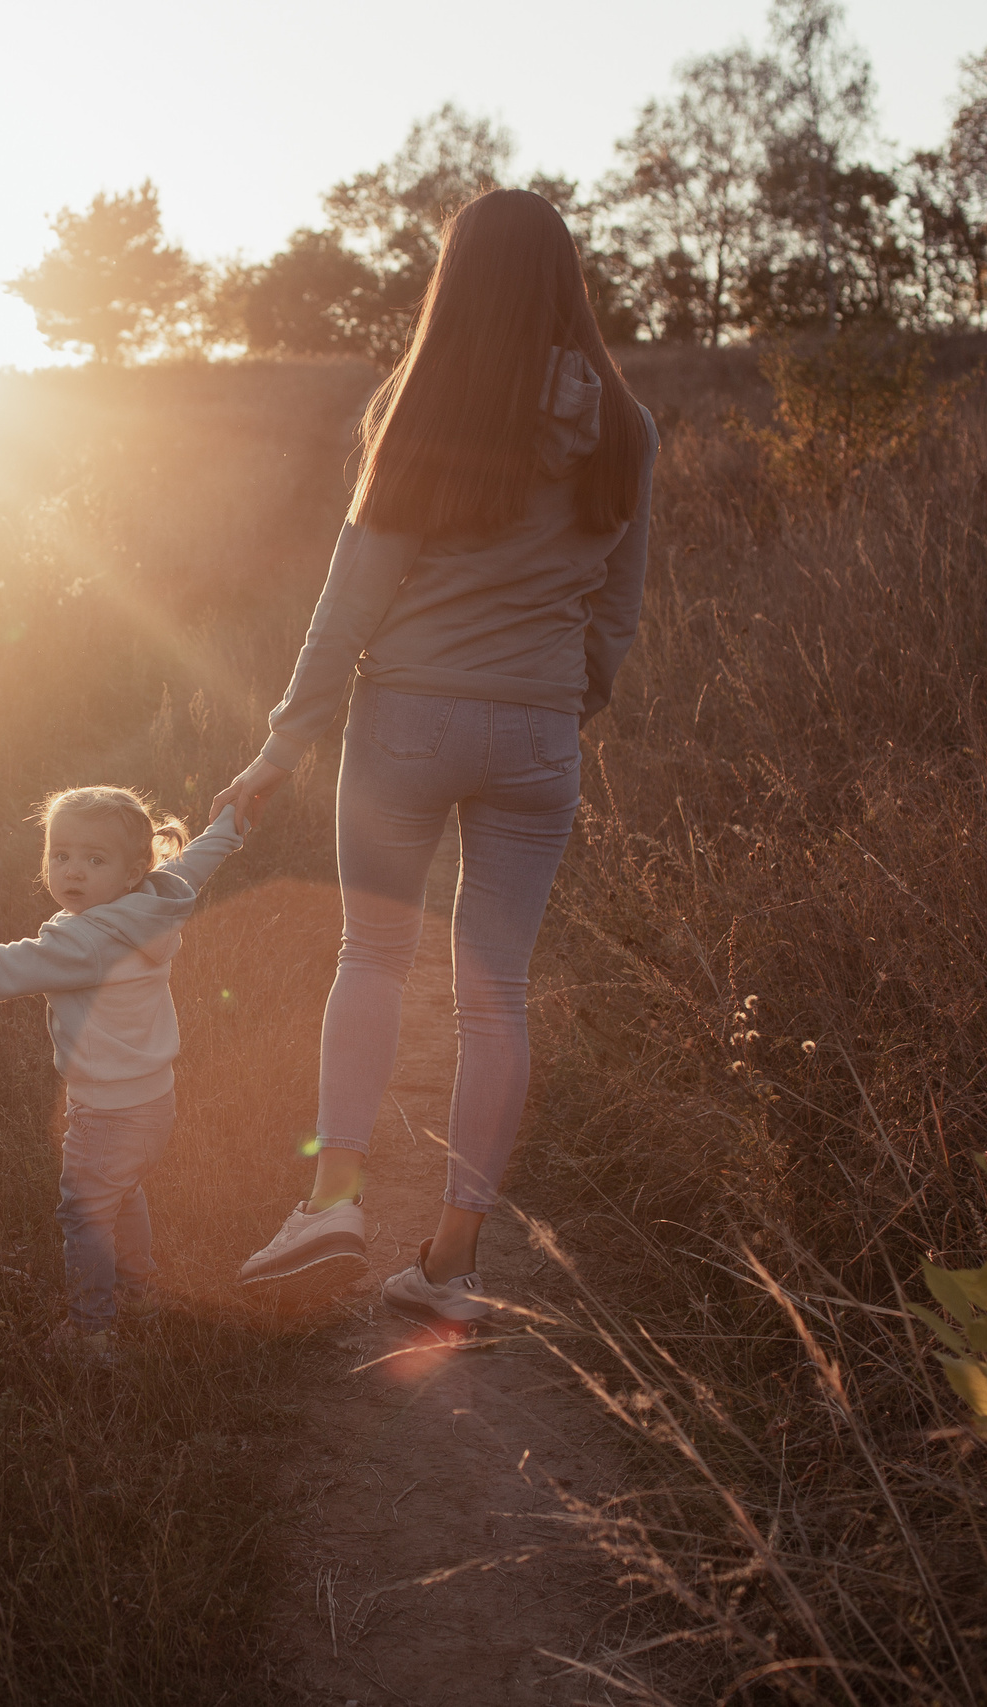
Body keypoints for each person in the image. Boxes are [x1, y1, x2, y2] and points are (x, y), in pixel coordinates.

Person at [215, 188, 657, 1340]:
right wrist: (561, 710)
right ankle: (451, 1264)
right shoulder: (623, 423)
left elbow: (348, 602)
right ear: (565, 279)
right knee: (492, 993)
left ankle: (332, 1204)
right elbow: (617, 614)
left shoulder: (422, 404)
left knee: (371, 955)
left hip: (406, 719)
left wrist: (282, 742)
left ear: (454, 282)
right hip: (537, 735)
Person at [0, 793, 245, 1363]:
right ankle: (138, 1293)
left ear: (133, 870)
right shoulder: (156, 902)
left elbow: (7, 965)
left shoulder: (87, 940)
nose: (72, 871)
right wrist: (230, 825)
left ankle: (89, 1332)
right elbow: (193, 864)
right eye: (60, 854)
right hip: (154, 1101)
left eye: (94, 859)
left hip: (106, 1108)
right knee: (123, 1191)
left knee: (84, 1213)